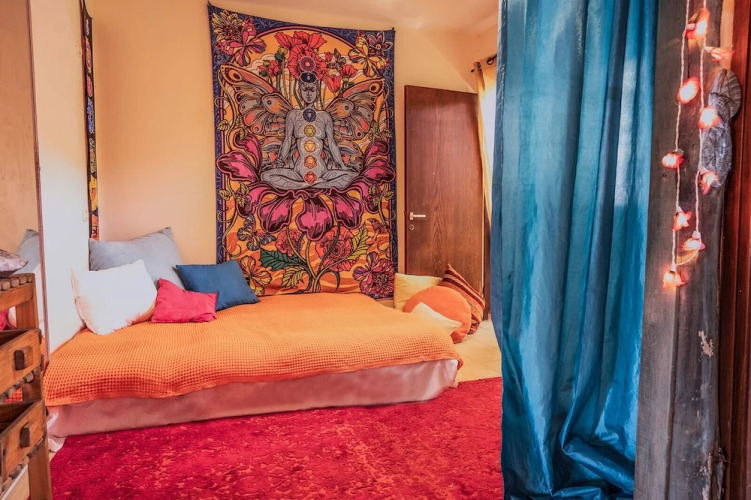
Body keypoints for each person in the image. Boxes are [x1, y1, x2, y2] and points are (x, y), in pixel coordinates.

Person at [261, 72, 358, 190]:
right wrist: (280, 159)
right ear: (299, 92)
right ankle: (311, 185)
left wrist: (342, 166)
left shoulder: (325, 116)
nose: (308, 94)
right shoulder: (293, 115)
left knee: (354, 176)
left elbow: (332, 143)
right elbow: (287, 140)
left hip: (322, 171)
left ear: (317, 93)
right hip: (298, 172)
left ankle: (309, 185)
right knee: (266, 176)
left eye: (312, 90)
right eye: (305, 90)